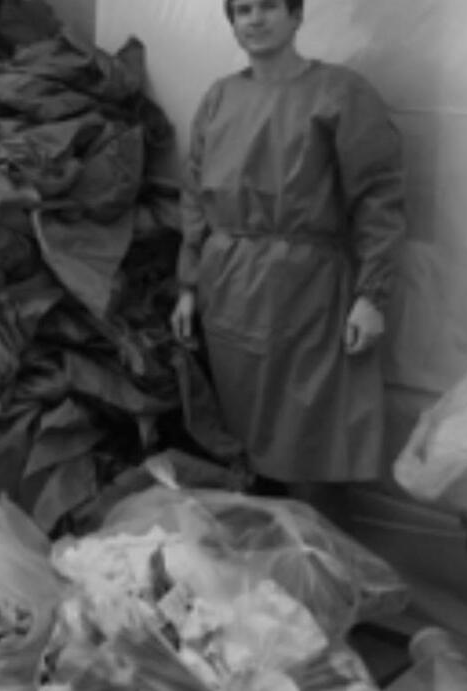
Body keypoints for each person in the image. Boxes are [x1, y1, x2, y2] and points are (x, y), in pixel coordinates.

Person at [170, 0, 406, 523]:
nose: (255, 19)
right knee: (240, 429)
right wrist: (188, 286)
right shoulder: (219, 98)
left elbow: (377, 198)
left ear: (296, 16)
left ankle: (314, 558)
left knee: (310, 431)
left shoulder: (340, 93)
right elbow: (195, 195)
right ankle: (261, 554)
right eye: (242, 10)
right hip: (228, 288)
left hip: (307, 291)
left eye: (269, 6)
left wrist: (372, 295)